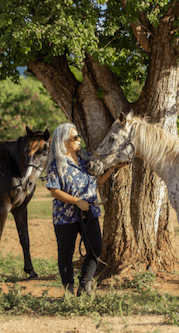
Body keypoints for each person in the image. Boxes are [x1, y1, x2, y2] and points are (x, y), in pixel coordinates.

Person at [45, 123, 123, 296]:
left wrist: (114, 167)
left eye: (79, 136)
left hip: (89, 213)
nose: (79, 140)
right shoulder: (56, 165)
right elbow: (54, 190)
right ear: (64, 141)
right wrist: (77, 201)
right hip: (65, 217)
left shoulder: (85, 160)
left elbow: (99, 181)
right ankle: (68, 290)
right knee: (66, 253)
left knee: (95, 247)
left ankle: (85, 284)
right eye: (75, 137)